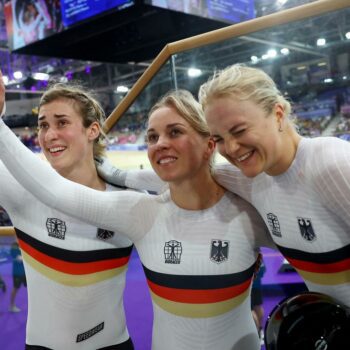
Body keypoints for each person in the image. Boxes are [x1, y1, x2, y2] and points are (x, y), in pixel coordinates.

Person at [0, 82, 276, 349]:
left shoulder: (140, 206)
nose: (49, 135)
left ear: (210, 144)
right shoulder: (136, 211)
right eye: (152, 137)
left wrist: (121, 175)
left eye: (175, 132)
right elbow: (57, 192)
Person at [94, 65, 350, 308]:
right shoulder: (250, 178)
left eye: (239, 130)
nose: (232, 149)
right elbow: (188, 174)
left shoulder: (332, 164)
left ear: (278, 114)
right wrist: (110, 171)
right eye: (219, 139)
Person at [0, 79, 134, 349]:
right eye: (43, 125)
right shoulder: (23, 192)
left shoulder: (130, 201)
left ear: (92, 129)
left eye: (62, 123)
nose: (49, 135)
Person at [9, 240, 26, 312]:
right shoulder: (14, 251)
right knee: (15, 289)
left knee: (32, 288)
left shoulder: (21, 249)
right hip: (17, 274)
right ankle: (11, 306)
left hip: (25, 274)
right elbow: (20, 258)